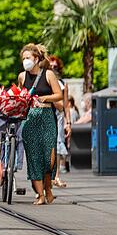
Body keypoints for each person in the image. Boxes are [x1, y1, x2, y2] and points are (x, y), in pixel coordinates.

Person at [18, 44, 62, 205]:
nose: (25, 61)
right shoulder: (22, 76)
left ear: (36, 59)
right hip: (30, 118)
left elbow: (59, 95)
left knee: (48, 159)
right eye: (23, 58)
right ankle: (40, 195)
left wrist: (45, 98)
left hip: (47, 116)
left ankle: (48, 189)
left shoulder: (48, 74)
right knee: (34, 158)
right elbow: (20, 96)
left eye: (28, 58)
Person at [48, 56, 71, 188]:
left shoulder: (63, 83)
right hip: (47, 113)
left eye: (55, 66)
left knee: (57, 145)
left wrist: (68, 123)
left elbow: (66, 104)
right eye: (51, 66)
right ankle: (47, 178)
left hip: (59, 116)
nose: (53, 68)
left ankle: (56, 176)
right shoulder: (45, 80)